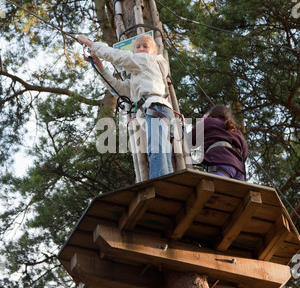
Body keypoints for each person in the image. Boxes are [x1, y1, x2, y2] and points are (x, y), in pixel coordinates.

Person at [76, 33, 174, 179]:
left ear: (153, 52)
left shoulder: (148, 60)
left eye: (145, 46)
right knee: (162, 151)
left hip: (156, 108)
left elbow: (117, 56)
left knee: (157, 150)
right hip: (156, 110)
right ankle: (166, 184)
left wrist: (90, 43)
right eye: (138, 47)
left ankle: (160, 185)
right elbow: (117, 88)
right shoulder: (138, 77)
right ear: (134, 51)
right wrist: (100, 66)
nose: (141, 49)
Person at [190, 105, 248, 180]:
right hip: (239, 171)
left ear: (212, 114)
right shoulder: (237, 132)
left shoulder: (209, 122)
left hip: (220, 165)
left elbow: (189, 139)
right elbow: (245, 155)